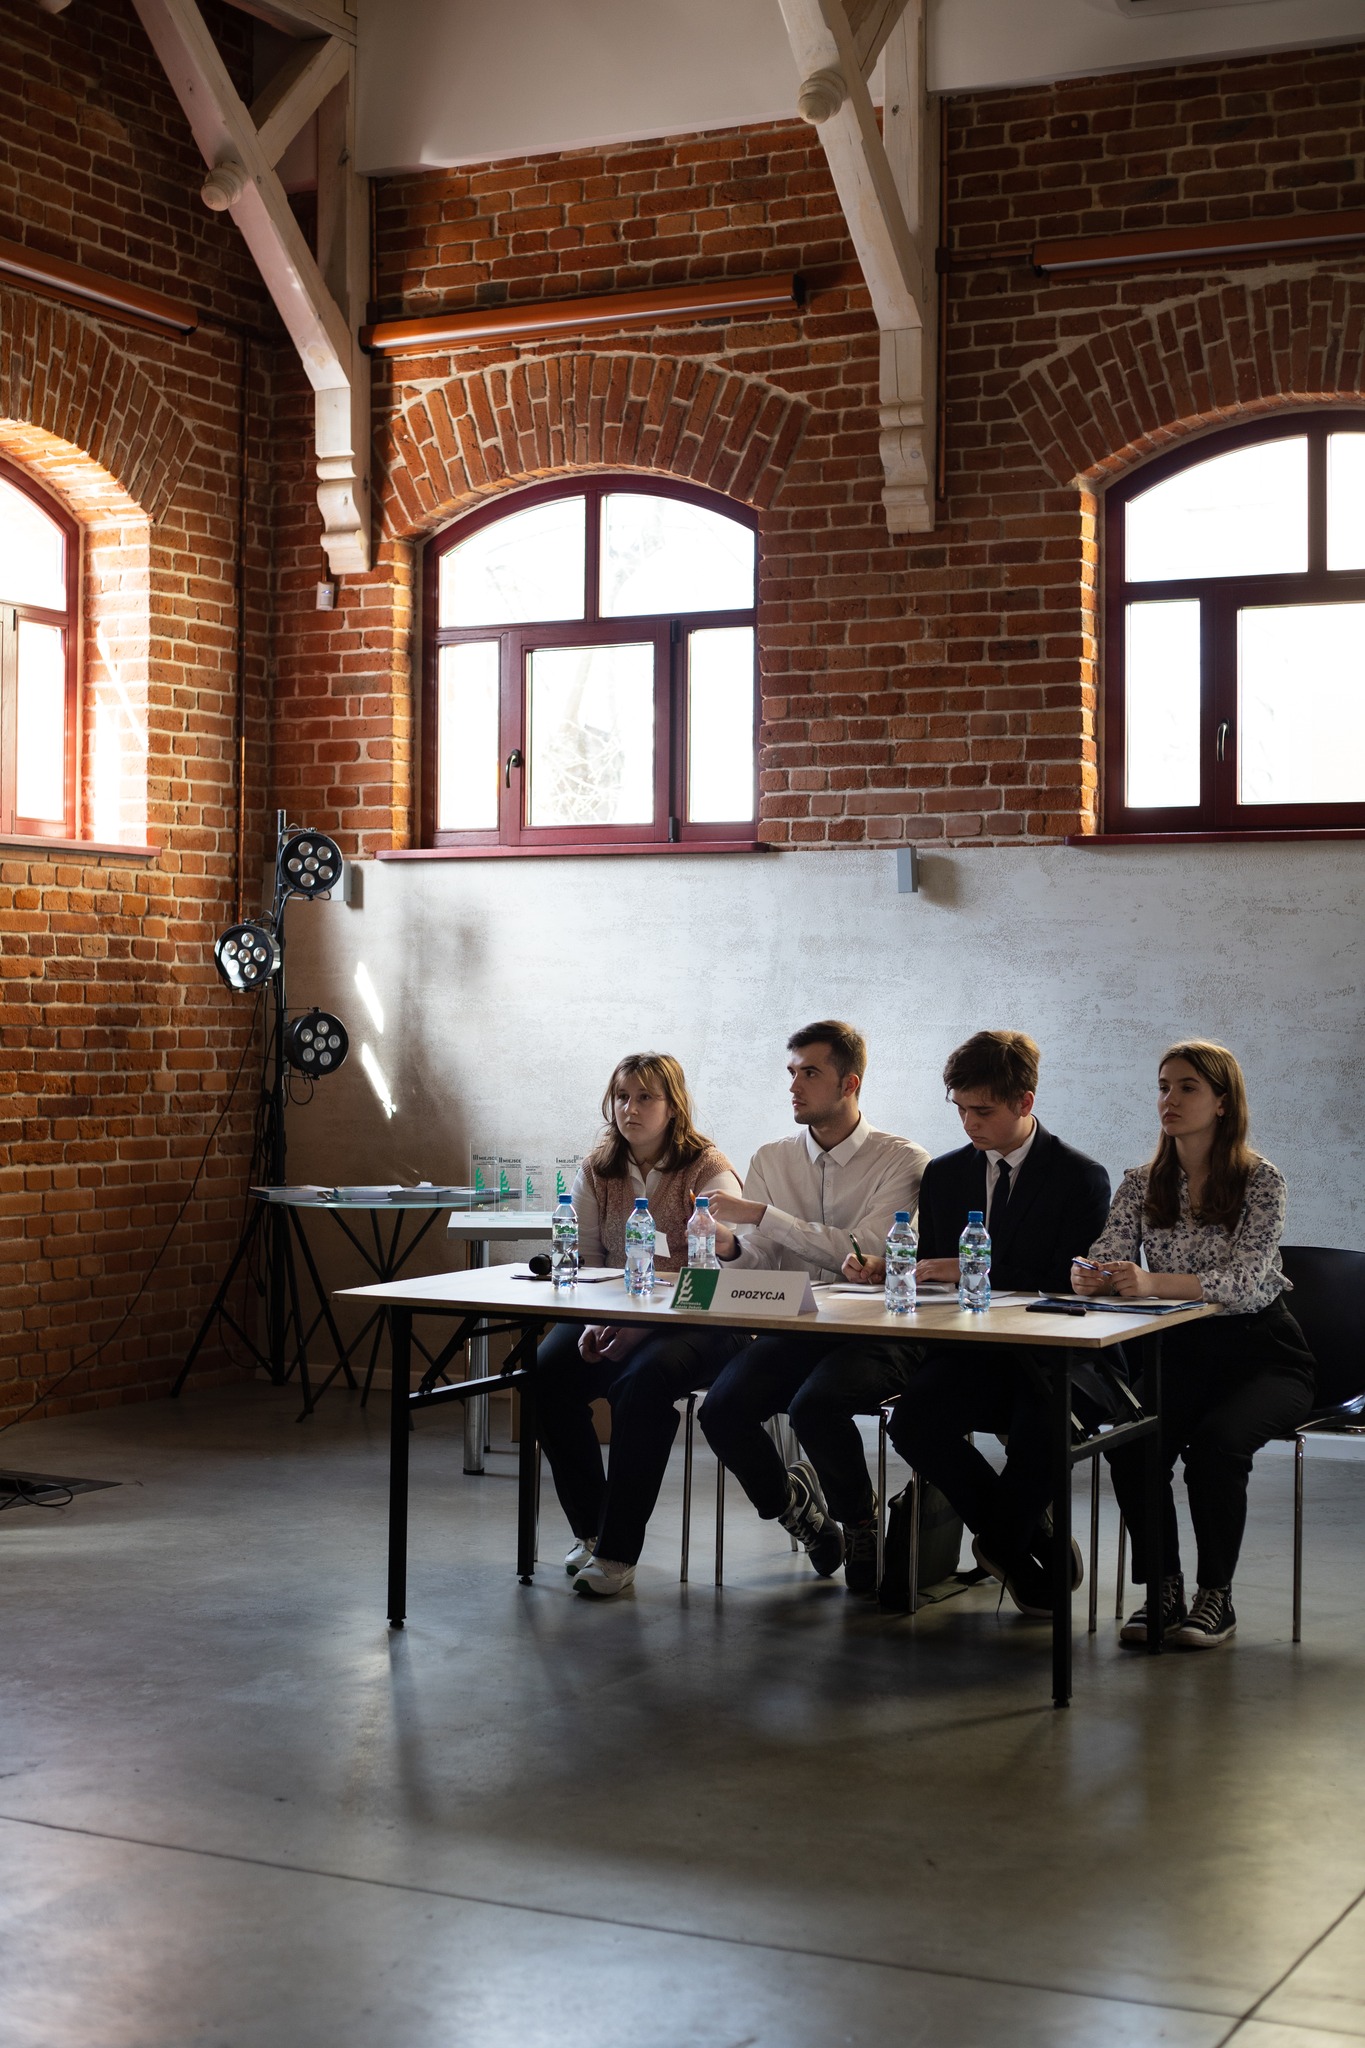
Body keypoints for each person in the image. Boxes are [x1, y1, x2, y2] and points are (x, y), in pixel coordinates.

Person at [1078, 1040, 1315, 1649]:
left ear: (1222, 1102)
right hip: (1177, 1352)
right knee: (1131, 1445)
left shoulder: (1261, 1180)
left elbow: (1244, 1283)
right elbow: (1106, 1254)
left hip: (1263, 1356)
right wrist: (1092, 1274)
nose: (1170, 1099)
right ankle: (1163, 1587)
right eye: (1164, 1086)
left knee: (1215, 1449)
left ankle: (1217, 1597)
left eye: (1187, 1088)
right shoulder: (1140, 1182)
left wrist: (1150, 1282)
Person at [869, 1031, 1113, 1612]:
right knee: (913, 1421)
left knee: (1042, 1426)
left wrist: (975, 1268)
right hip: (971, 1349)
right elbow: (933, 1271)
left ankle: (1001, 1542)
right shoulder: (945, 1174)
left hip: (1055, 1354)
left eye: (982, 1111)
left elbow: (1070, 1278)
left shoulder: (1080, 1176)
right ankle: (1025, 1543)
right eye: (959, 1109)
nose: (968, 1123)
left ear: (1025, 1102)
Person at [697, 1021, 929, 1581]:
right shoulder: (772, 1158)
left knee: (814, 1407)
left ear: (850, 1083)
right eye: (792, 1072)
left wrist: (762, 1215)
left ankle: (860, 1524)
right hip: (798, 1324)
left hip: (875, 1331)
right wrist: (730, 1247)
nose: (794, 1086)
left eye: (810, 1073)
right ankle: (798, 1512)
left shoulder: (903, 1160)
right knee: (720, 1411)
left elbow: (864, 1250)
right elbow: (761, 1261)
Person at [534, 1053, 744, 1599]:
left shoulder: (708, 1169)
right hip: (617, 1308)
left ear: (674, 1107)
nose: (631, 1108)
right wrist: (596, 1321)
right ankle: (591, 1529)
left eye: (646, 1097)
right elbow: (585, 1260)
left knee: (641, 1383)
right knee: (545, 1373)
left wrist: (642, 1328)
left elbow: (716, 1276)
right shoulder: (597, 1168)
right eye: (622, 1097)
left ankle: (617, 1552)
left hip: (697, 1318)